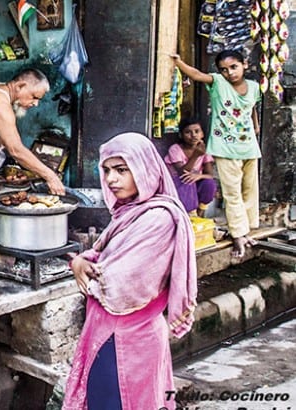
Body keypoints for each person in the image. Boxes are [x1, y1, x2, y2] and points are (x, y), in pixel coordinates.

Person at [63, 132, 197, 410]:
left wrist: (87, 268)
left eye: (122, 170)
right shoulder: (130, 212)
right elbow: (100, 254)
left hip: (127, 341)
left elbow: (120, 284)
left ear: (145, 169)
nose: (112, 179)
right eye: (107, 170)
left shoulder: (158, 219)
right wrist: (80, 262)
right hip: (108, 335)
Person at [171, 50, 261, 258]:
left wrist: (255, 126)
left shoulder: (254, 87)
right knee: (232, 193)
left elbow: (253, 107)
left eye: (233, 67)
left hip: (248, 147)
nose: (229, 73)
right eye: (224, 69)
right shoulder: (219, 83)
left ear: (244, 65)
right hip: (226, 148)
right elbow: (196, 75)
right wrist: (179, 63)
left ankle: (246, 229)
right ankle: (239, 234)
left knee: (249, 190)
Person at [165, 117, 217, 218]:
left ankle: (200, 213)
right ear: (181, 135)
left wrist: (198, 176)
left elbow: (210, 175)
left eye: (197, 131)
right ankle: (190, 215)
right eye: (188, 132)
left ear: (202, 134)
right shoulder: (175, 149)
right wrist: (196, 155)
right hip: (176, 185)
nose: (193, 135)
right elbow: (182, 172)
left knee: (209, 183)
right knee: (187, 179)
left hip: (194, 183)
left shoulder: (204, 150)